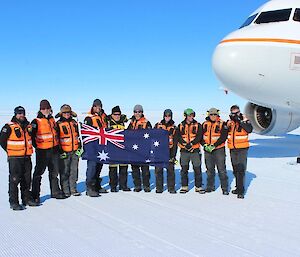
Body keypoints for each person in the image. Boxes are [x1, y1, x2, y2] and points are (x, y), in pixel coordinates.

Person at [0, 106, 39, 210]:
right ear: (15, 114)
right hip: (15, 158)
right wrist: (10, 151)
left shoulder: (28, 126)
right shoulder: (8, 126)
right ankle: (13, 202)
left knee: (26, 180)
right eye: (19, 113)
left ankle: (26, 199)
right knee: (14, 180)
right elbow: (2, 141)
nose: (21, 115)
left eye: (23, 113)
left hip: (27, 157)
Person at [31, 100, 66, 204]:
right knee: (38, 173)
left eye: (47, 108)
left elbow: (56, 134)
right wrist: (37, 146)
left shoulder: (52, 120)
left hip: (54, 150)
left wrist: (58, 147)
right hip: (42, 151)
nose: (45, 110)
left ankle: (55, 192)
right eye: (43, 108)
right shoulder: (36, 121)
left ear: (50, 108)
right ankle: (35, 195)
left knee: (54, 172)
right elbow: (31, 136)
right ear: (40, 109)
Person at [227, 105, 253, 199]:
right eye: (233, 113)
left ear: (239, 112)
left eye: (237, 112)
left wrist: (239, 121)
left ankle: (241, 191)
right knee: (235, 169)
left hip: (242, 148)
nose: (235, 114)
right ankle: (238, 187)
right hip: (232, 148)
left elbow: (249, 129)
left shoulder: (245, 120)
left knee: (241, 169)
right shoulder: (230, 122)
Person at [56, 104, 82, 197]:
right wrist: (60, 151)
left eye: (68, 112)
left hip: (75, 151)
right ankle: (65, 190)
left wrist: (80, 147)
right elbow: (57, 139)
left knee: (74, 171)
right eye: (65, 112)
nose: (67, 114)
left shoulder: (75, 123)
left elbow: (79, 136)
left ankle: (73, 189)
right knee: (64, 171)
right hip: (64, 152)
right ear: (61, 113)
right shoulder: (58, 124)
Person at [177, 108, 205, 194]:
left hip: (195, 150)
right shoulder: (180, 125)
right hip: (184, 151)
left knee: (197, 169)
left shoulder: (198, 125)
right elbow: (178, 136)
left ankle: (198, 186)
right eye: (189, 115)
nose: (191, 117)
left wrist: (192, 144)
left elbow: (199, 136)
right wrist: (185, 144)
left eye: (192, 115)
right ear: (185, 116)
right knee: (184, 169)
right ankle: (184, 186)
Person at [84, 99, 108, 196]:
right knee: (92, 167)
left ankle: (97, 185)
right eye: (95, 106)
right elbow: (85, 133)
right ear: (92, 107)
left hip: (102, 146)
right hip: (92, 147)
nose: (97, 108)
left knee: (99, 166)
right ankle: (89, 187)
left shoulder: (104, 117)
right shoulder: (89, 118)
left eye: (99, 106)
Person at [202, 108, 229, 195]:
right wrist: (205, 145)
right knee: (209, 169)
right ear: (208, 115)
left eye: (214, 114)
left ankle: (224, 188)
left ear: (217, 115)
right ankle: (210, 186)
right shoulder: (204, 124)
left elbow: (223, 137)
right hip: (208, 150)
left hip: (219, 149)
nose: (213, 116)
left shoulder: (222, 124)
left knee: (221, 169)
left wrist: (214, 145)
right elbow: (200, 136)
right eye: (211, 114)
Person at [128, 104, 152, 192]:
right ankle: (137, 185)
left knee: (145, 169)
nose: (137, 113)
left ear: (142, 112)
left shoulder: (146, 123)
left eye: (139, 112)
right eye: (135, 112)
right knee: (135, 169)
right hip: (133, 150)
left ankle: (146, 185)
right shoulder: (131, 123)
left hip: (144, 150)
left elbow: (150, 135)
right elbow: (127, 134)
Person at [107, 106, 131, 192]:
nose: (117, 116)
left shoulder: (124, 122)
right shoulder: (108, 122)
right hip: (112, 148)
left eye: (118, 114)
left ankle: (123, 185)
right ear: (112, 114)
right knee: (113, 168)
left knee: (123, 167)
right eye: (115, 114)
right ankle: (113, 186)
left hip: (123, 148)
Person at [154, 109, 177, 194]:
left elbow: (175, 142)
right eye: (166, 116)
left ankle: (171, 188)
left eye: (169, 116)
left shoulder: (174, 127)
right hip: (159, 151)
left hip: (170, 150)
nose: (167, 117)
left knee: (170, 170)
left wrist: (173, 155)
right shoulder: (158, 125)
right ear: (163, 116)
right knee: (158, 170)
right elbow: (152, 137)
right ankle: (159, 188)